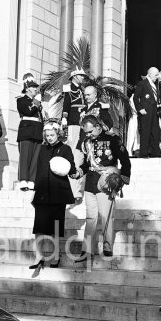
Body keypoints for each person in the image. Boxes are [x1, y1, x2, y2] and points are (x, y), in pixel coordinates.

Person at [74, 115, 131, 263]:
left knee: (106, 216)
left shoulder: (112, 138)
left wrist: (123, 178)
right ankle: (87, 250)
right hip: (90, 183)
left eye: (90, 131)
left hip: (105, 181)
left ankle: (107, 246)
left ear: (98, 127)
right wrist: (79, 172)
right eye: (85, 132)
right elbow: (87, 164)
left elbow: (124, 159)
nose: (88, 135)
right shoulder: (87, 142)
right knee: (91, 218)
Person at [29, 119, 76, 270]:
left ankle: (56, 256)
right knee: (39, 227)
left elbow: (71, 168)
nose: (49, 137)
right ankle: (39, 256)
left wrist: (73, 171)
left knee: (55, 228)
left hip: (58, 194)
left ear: (58, 134)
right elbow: (39, 170)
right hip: (42, 193)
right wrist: (35, 191)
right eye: (47, 135)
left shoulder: (66, 149)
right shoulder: (42, 149)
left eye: (52, 134)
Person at [62, 67, 87, 200]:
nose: (83, 77)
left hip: (81, 124)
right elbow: (66, 104)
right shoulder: (68, 88)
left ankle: (77, 188)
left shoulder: (82, 90)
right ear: (75, 76)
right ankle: (73, 189)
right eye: (81, 75)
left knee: (80, 154)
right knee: (73, 154)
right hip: (73, 123)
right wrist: (64, 118)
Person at [17, 74, 44, 191]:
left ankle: (32, 180)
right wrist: (36, 102)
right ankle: (23, 180)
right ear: (27, 88)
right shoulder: (21, 100)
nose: (35, 89)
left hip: (37, 130)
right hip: (27, 129)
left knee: (35, 157)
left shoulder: (37, 101)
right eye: (33, 87)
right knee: (25, 156)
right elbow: (28, 112)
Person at [133, 67, 161, 158]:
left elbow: (154, 98)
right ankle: (143, 153)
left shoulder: (154, 85)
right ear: (149, 74)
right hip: (145, 111)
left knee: (155, 131)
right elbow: (135, 97)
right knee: (146, 131)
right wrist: (140, 108)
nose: (157, 77)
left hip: (154, 111)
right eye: (156, 74)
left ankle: (156, 152)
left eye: (158, 75)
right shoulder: (142, 83)